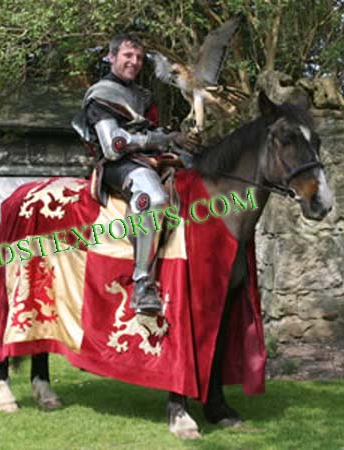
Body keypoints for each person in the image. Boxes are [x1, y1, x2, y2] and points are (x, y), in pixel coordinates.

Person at [77, 32, 198, 316]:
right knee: (153, 198)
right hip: (118, 164)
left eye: (139, 58)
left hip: (148, 158)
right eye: (127, 56)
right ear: (111, 57)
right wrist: (164, 140)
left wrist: (177, 139)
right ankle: (143, 283)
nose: (134, 62)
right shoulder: (102, 94)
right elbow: (114, 145)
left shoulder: (142, 96)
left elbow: (150, 132)